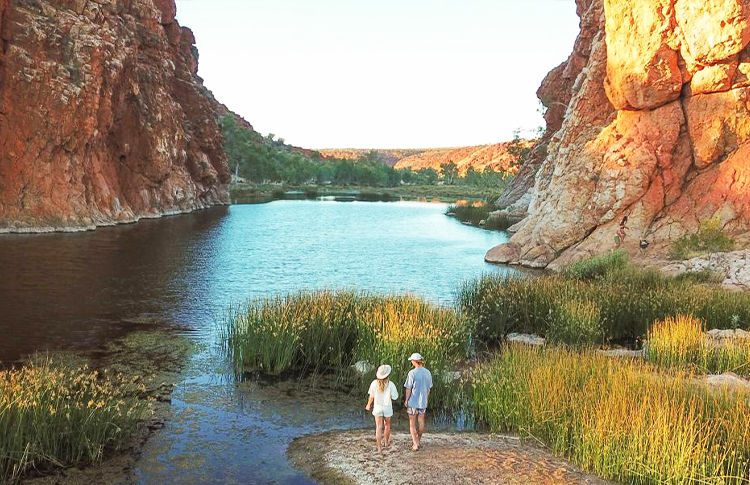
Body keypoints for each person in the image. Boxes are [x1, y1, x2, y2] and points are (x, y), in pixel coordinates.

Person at [365, 364, 398, 453]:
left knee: (378, 427)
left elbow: (371, 396)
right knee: (387, 426)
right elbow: (395, 397)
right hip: (387, 408)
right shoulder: (391, 384)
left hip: (377, 407)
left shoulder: (374, 383)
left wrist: (368, 405)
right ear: (388, 375)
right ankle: (386, 442)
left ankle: (379, 448)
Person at [403, 352, 433, 451]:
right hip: (423, 402)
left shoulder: (412, 373)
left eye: (412, 360)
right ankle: (418, 440)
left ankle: (415, 444)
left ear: (414, 361)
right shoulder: (428, 372)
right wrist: (426, 399)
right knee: (421, 421)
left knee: (412, 423)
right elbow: (429, 389)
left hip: (413, 401)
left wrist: (406, 400)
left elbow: (408, 388)